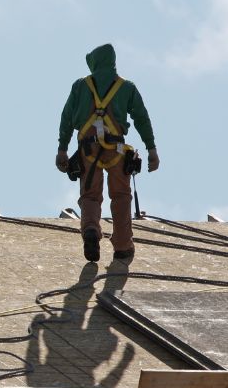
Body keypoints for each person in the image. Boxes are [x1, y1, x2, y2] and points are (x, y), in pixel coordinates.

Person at [55, 43, 159, 262]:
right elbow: (142, 118)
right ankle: (122, 245)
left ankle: (91, 229)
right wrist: (151, 149)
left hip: (88, 148)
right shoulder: (126, 88)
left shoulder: (80, 86)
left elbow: (66, 118)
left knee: (90, 195)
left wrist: (62, 150)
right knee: (121, 196)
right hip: (116, 150)